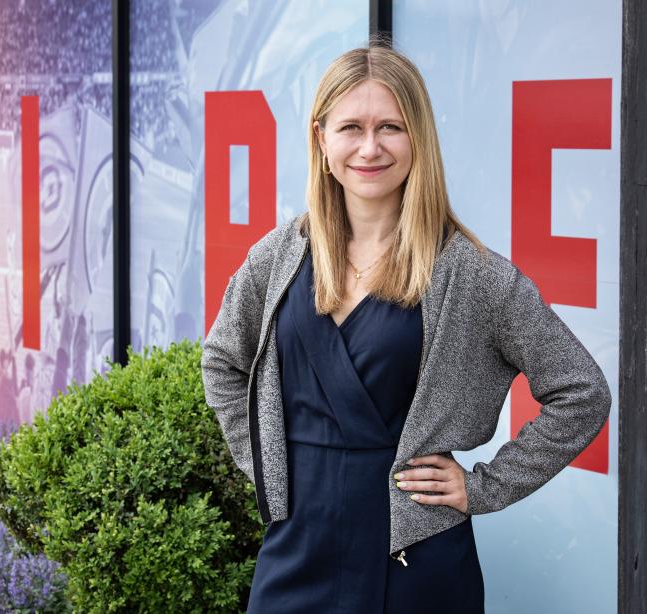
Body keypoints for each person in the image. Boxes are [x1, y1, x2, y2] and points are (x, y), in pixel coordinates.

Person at [200, 42, 611, 614]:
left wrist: (484, 486)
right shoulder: (278, 257)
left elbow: (582, 392)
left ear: (418, 138)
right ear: (321, 140)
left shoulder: (469, 273)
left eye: (390, 126)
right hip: (297, 549)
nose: (370, 147)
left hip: (416, 561)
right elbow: (222, 361)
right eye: (351, 127)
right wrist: (266, 464)